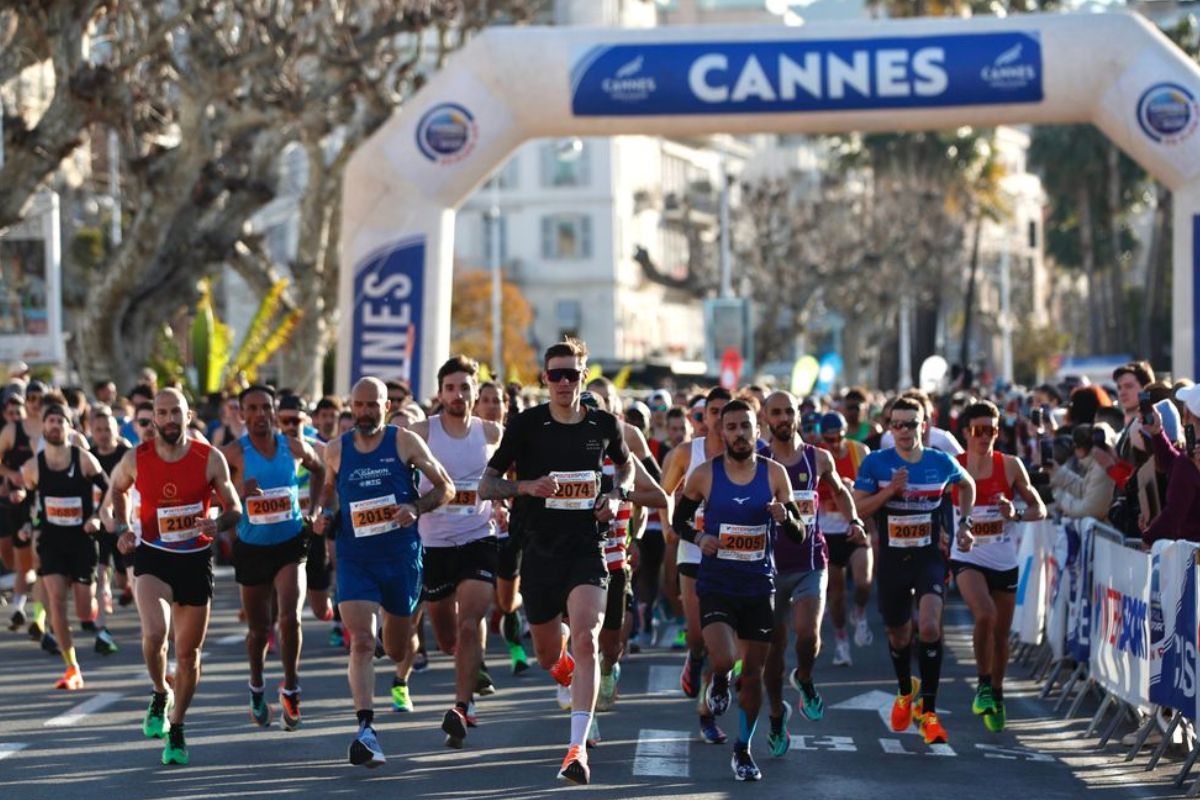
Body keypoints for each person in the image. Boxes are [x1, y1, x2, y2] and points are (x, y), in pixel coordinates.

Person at [480, 338, 633, 786]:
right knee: (551, 652)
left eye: (572, 374)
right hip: (540, 550)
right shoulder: (526, 425)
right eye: (556, 374)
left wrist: (614, 492)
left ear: (583, 377)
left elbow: (626, 468)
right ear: (544, 379)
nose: (564, 382)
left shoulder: (604, 424)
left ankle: (576, 749)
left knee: (586, 639)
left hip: (587, 546)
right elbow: (488, 485)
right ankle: (569, 678)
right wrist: (527, 488)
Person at [313, 377, 454, 769]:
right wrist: (322, 515)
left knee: (395, 647)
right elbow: (328, 491)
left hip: (400, 558)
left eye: (372, 405)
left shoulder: (404, 441)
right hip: (355, 557)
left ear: (385, 408)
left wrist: (416, 508)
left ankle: (402, 668)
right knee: (361, 641)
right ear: (350, 407)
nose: (365, 413)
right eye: (358, 405)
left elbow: (445, 487)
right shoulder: (336, 449)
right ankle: (365, 730)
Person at [671, 399, 809, 781]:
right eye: (730, 427)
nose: (738, 434)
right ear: (721, 432)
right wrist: (700, 536)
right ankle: (717, 678)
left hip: (758, 586)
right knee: (723, 657)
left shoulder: (775, 474)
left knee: (753, 673)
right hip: (716, 583)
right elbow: (677, 520)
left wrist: (787, 517)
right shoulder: (704, 474)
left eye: (745, 427)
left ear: (757, 430)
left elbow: (799, 532)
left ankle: (742, 749)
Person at [109, 388, 243, 766]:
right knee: (155, 633)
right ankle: (158, 691)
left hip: (196, 560)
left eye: (175, 413)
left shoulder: (209, 458)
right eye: (162, 413)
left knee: (188, 655)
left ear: (188, 416)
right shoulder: (137, 458)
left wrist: (218, 521)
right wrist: (122, 528)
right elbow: (116, 491)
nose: (168, 420)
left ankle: (178, 725)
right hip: (153, 556)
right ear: (153, 419)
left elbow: (234, 507)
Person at [853, 396, 976, 745]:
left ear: (925, 425)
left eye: (912, 423)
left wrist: (964, 523)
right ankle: (906, 690)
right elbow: (861, 509)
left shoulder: (940, 460)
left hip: (928, 558)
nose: (905, 431)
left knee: (929, 625)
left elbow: (967, 485)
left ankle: (930, 713)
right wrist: (890, 490)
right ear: (890, 428)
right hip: (892, 560)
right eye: (898, 424)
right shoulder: (877, 463)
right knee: (898, 635)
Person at [759, 392, 866, 756]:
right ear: (766, 418)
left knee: (808, 636)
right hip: (768, 567)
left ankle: (803, 677)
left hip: (809, 560)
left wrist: (853, 519)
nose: (784, 418)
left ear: (798, 416)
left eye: (789, 411)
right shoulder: (759, 461)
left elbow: (841, 492)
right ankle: (776, 714)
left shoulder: (817, 457)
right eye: (777, 413)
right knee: (773, 648)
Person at [409, 357, 503, 748]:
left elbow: (513, 469)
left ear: (475, 392)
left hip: (479, 537)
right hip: (434, 543)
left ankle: (461, 707)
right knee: (449, 637)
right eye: (451, 388)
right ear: (440, 392)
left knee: (471, 621)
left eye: (465, 388)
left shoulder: (492, 432)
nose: (458, 395)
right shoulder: (420, 433)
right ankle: (470, 665)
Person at [222, 385, 324, 732]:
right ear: (242, 414)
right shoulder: (233, 453)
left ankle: (292, 687)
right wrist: (239, 493)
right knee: (258, 629)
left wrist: (319, 509)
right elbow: (212, 492)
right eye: (252, 409)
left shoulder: (293, 447)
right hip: (252, 548)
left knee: (291, 616)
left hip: (290, 543)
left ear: (275, 411)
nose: (260, 415)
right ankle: (256, 686)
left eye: (266, 407)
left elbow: (321, 469)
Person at [949, 401, 1046, 732]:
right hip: (967, 557)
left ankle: (998, 693)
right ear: (966, 433)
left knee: (1002, 636)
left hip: (1004, 560)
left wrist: (1015, 513)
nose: (985, 436)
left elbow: (1040, 509)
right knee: (985, 615)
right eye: (979, 430)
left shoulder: (1010, 466)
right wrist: (946, 537)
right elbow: (933, 507)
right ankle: (983, 686)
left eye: (991, 430)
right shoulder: (953, 466)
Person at [15, 403, 108, 690]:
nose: (55, 425)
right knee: (56, 601)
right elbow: (31, 502)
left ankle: (91, 607)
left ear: (70, 427)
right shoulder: (33, 466)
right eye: (51, 421)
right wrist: (27, 523)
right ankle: (72, 668)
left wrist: (97, 518)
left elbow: (110, 490)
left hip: (81, 540)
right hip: (52, 541)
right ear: (44, 428)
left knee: (82, 611)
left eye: (61, 421)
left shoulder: (84, 460)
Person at [659, 387, 733, 745]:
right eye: (713, 411)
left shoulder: (746, 454)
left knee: (725, 642)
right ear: (704, 417)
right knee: (698, 633)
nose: (718, 418)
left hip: (735, 556)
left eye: (725, 412)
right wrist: (669, 527)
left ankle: (706, 714)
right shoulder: (689, 453)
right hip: (692, 548)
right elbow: (663, 491)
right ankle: (694, 653)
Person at [815, 411, 873, 666]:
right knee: (836, 595)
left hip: (855, 526)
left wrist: (854, 490)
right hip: (828, 533)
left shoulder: (859, 451)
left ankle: (859, 612)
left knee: (864, 581)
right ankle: (842, 642)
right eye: (828, 439)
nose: (834, 444)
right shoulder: (816, 456)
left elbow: (872, 486)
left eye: (837, 437)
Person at [90, 404, 131, 653]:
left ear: (116, 430)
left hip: (125, 523)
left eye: (108, 429)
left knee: (122, 578)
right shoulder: (89, 456)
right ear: (92, 432)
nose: (103, 434)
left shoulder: (127, 454)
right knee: (101, 575)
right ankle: (102, 631)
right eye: (98, 429)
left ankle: (125, 586)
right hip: (99, 521)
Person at [1047, 424, 1116, 523]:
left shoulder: (1101, 469)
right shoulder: (1096, 465)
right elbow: (1084, 490)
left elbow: (1090, 509)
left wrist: (1060, 497)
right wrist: (1058, 473)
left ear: (1080, 448)